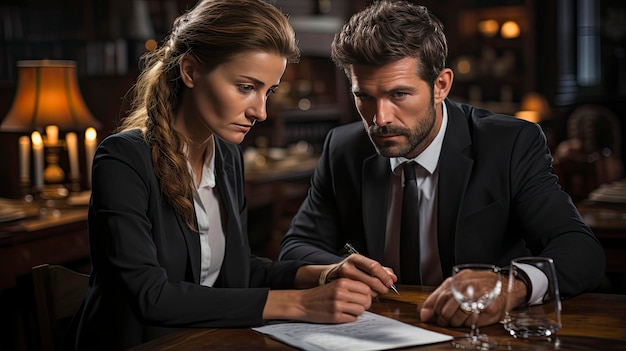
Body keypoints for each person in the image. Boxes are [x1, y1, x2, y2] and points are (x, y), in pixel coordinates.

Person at [65, 1, 397, 350]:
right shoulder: (122, 158)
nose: (260, 112)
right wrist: (299, 304)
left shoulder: (226, 157)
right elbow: (151, 296)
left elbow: (235, 273)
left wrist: (324, 273)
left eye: (268, 91)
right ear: (191, 71)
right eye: (245, 87)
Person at [279, 0, 606, 329]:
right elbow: (296, 247)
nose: (380, 119)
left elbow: (582, 252)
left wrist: (511, 286)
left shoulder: (509, 144)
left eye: (399, 95)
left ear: (441, 86)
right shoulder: (344, 148)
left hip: (483, 334)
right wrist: (334, 270)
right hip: (376, 330)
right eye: (364, 96)